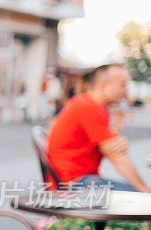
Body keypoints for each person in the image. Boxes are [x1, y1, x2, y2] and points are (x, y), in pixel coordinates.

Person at [46, 64, 150, 193]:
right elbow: (116, 155)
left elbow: (113, 145)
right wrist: (145, 192)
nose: (126, 90)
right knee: (139, 197)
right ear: (103, 86)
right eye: (122, 85)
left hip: (76, 181)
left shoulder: (88, 103)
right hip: (75, 184)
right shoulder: (89, 107)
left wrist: (115, 140)